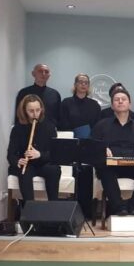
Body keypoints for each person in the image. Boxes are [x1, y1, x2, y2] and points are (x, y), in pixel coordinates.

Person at [92, 89, 134, 216]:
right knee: (104, 171)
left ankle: (133, 206)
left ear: (129, 104)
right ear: (112, 105)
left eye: (123, 99)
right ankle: (119, 208)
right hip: (110, 166)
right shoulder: (101, 125)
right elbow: (91, 147)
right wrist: (101, 149)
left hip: (132, 165)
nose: (120, 101)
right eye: (116, 100)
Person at [59, 73, 101, 220]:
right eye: (80, 82)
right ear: (75, 84)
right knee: (72, 177)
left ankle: (86, 213)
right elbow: (62, 124)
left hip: (88, 146)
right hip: (71, 145)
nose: (83, 85)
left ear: (88, 86)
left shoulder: (94, 105)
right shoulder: (66, 103)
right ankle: (70, 213)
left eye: (86, 82)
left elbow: (97, 127)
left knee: (86, 177)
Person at [7, 94, 61, 204]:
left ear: (41, 109)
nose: (35, 114)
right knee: (24, 173)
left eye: (37, 110)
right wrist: (17, 161)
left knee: (54, 170)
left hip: (44, 163)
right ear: (24, 111)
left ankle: (54, 209)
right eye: (31, 111)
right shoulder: (17, 129)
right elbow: (11, 154)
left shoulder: (49, 127)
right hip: (27, 165)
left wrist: (39, 154)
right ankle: (29, 211)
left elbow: (55, 154)